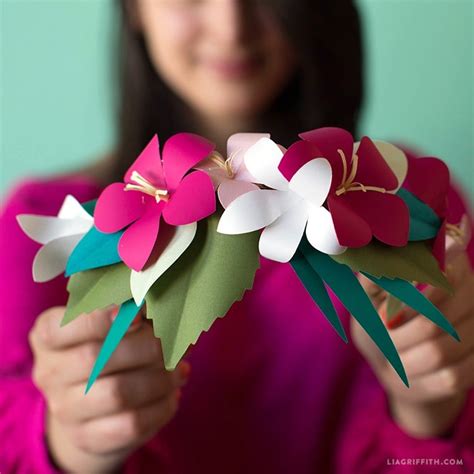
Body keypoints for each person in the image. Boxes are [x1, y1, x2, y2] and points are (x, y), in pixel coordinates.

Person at [1, 1, 473, 473]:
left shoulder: (406, 207)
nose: (231, 28)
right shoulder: (47, 228)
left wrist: (428, 413)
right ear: (133, 9)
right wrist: (68, 446)